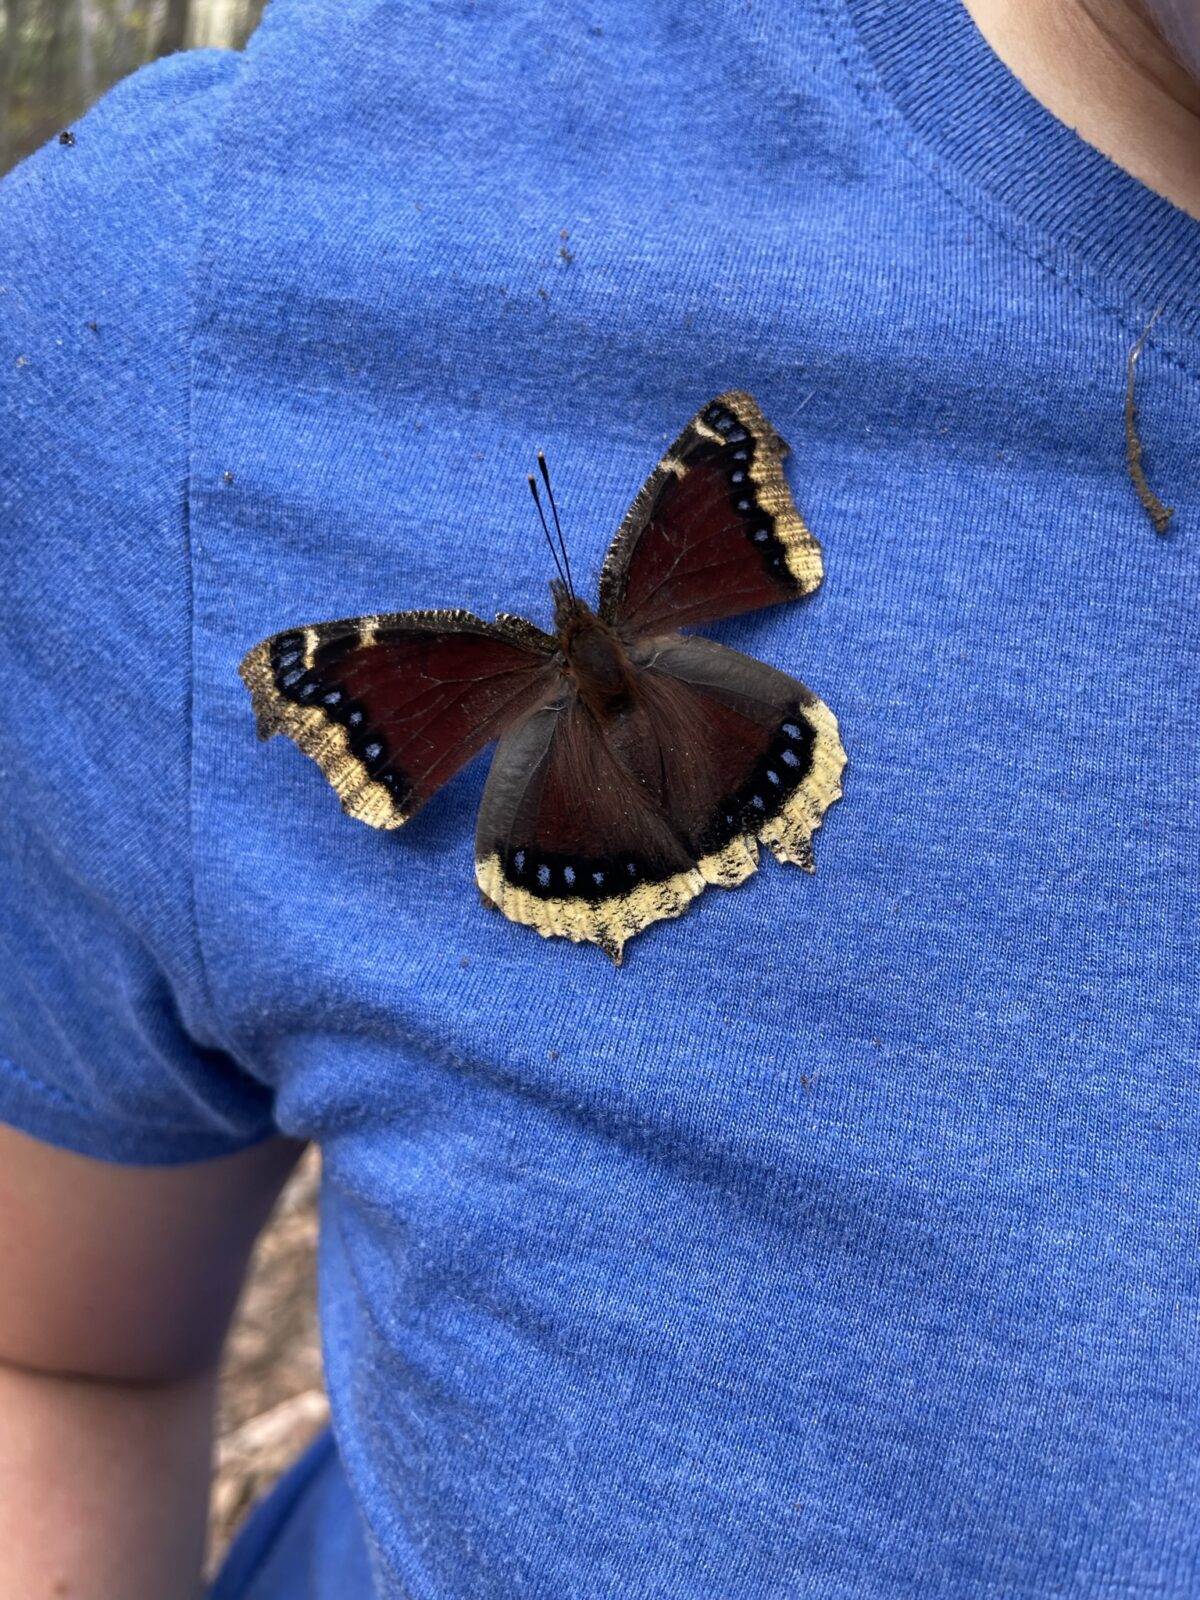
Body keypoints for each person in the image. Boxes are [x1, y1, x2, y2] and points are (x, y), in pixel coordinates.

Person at [0, 0, 1196, 1594]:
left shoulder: (451, 641)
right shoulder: (181, 305)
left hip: (596, 740)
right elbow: (55, 1350)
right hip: (686, 708)